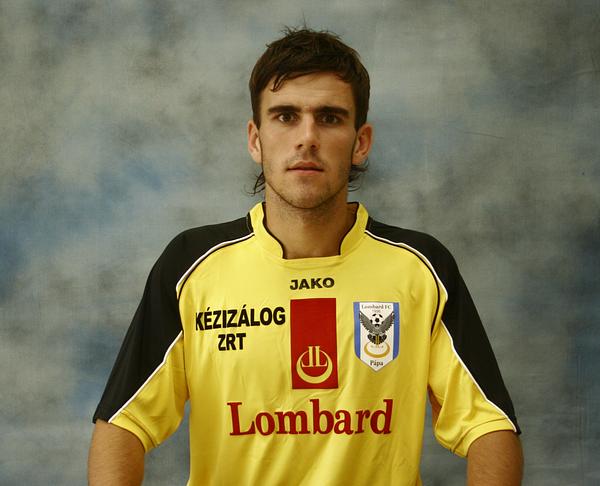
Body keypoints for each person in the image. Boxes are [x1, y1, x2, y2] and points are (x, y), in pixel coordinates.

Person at [88, 28, 523, 485]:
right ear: (255, 139)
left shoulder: (420, 268)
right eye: (286, 116)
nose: (307, 137)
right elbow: (123, 423)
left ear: (360, 142)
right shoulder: (191, 266)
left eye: (330, 118)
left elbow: (489, 426)